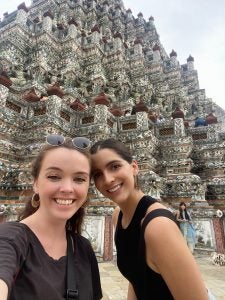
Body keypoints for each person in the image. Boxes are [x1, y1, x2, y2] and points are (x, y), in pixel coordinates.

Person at [90, 138, 208, 300]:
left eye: (115, 166)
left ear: (134, 167)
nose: (108, 179)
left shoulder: (158, 226)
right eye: (97, 174)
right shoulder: (118, 216)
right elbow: (136, 278)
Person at [0, 134, 102, 300]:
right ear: (35, 183)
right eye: (54, 176)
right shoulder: (9, 238)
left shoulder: (83, 248)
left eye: (79, 179)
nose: (67, 188)